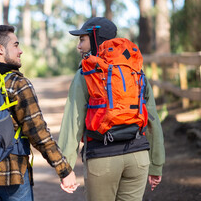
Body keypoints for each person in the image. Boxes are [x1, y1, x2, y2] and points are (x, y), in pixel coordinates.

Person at [0, 25, 78, 201]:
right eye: (15, 45)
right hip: (12, 176)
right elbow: (38, 132)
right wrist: (64, 169)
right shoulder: (16, 82)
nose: (21, 51)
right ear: (0, 49)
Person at [58, 17, 165, 201]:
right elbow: (152, 119)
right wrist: (156, 165)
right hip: (138, 158)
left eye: (82, 39)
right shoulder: (136, 72)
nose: (79, 46)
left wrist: (64, 168)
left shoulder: (86, 73)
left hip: (102, 158)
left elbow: (72, 122)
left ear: (95, 39)